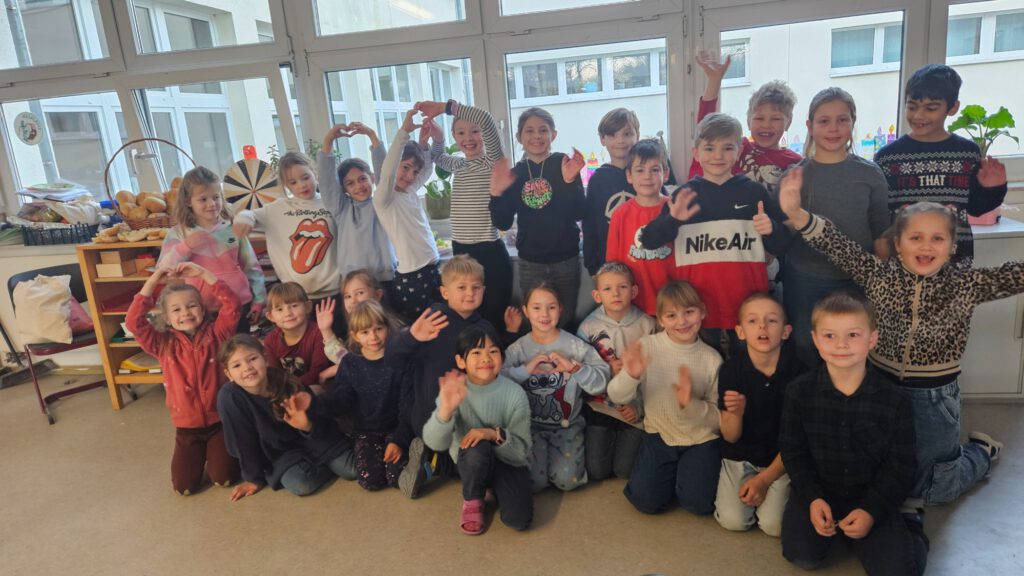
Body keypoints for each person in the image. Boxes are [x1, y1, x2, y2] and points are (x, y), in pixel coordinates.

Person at [779, 171, 1022, 512]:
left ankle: (979, 452)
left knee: (933, 489)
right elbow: (838, 245)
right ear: (898, 244)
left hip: (934, 397)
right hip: (881, 388)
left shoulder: (966, 284)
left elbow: (1014, 275)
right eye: (916, 237)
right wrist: (797, 213)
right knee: (886, 473)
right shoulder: (878, 275)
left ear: (952, 246)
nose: (926, 246)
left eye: (937, 238)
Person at [779, 293, 924, 576]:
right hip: (821, 491)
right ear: (815, 340)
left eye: (853, 335)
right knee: (801, 556)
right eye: (830, 336)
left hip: (872, 492)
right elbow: (793, 452)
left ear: (872, 339)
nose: (841, 344)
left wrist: (872, 510)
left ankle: (911, 525)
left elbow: (902, 464)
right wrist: (812, 498)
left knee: (898, 572)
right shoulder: (798, 392)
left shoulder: (895, 399)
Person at [640, 113, 790, 358]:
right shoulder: (684, 195)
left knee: (747, 369)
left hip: (748, 308)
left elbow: (784, 244)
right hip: (696, 309)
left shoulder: (754, 193)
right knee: (703, 371)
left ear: (739, 151)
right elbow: (648, 241)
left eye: (727, 148)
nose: (718, 155)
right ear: (696, 152)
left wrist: (771, 229)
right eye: (709, 148)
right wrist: (673, 220)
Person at [779, 88, 890, 366]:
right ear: (810, 126)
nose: (833, 128)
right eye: (824, 121)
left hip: (857, 278)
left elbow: (881, 232)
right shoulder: (795, 175)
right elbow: (783, 233)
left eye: (842, 120)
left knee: (853, 349)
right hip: (806, 278)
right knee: (806, 344)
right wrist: (789, 215)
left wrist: (882, 281)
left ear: (853, 122)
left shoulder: (870, 174)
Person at [874, 64, 1007, 265]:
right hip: (902, 263)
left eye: (931, 108)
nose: (918, 115)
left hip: (955, 261)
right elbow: (880, 212)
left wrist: (992, 188)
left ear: (953, 108)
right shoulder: (888, 156)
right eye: (912, 107)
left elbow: (976, 209)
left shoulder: (967, 152)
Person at [125, 262, 240, 495]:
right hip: (187, 427)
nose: (185, 313)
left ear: (203, 310)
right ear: (167, 318)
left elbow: (233, 306)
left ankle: (219, 451)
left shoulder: (218, 334)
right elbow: (133, 322)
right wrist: (153, 281)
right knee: (183, 488)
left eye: (192, 306)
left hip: (220, 422)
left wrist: (204, 273)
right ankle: (201, 454)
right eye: (176, 310)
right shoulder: (161, 343)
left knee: (224, 478)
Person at [607, 280, 722, 515]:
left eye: (689, 312)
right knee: (645, 501)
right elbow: (616, 394)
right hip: (659, 434)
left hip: (700, 439)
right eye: (671, 315)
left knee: (698, 504)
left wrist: (690, 403)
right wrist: (630, 375)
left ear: (702, 312)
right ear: (660, 320)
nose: (681, 321)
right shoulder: (647, 346)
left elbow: (717, 419)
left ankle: (687, 477)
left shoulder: (712, 359)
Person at [399, 255, 499, 499]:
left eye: (476, 287)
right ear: (445, 292)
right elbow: (393, 359)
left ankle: (430, 461)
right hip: (433, 416)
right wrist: (411, 337)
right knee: (476, 465)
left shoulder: (486, 327)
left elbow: (497, 369)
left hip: (466, 416)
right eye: (461, 287)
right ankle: (432, 456)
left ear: (484, 290)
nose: (470, 293)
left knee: (480, 458)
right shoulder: (432, 320)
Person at [326, 301, 448, 491]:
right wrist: (321, 404)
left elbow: (407, 405)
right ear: (355, 335)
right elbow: (342, 400)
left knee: (395, 477)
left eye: (378, 329)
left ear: (387, 328)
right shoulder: (349, 364)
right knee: (370, 480)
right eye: (365, 332)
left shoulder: (399, 360)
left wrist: (398, 440)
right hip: (366, 432)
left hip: (398, 428)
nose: (373, 337)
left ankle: (423, 461)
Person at [423, 325, 533, 535]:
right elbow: (435, 443)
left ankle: (491, 488)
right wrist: (445, 410)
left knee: (519, 520)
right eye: (476, 352)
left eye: (493, 351)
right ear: (460, 361)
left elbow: (521, 453)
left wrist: (492, 434)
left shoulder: (515, 393)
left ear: (502, 357)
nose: (486, 358)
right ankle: (473, 499)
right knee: (478, 447)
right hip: (472, 459)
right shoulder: (455, 389)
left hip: (507, 461)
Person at [217, 335, 356, 500]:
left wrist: (307, 426)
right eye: (237, 365)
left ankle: (331, 457)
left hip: (313, 438)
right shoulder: (230, 397)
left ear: (265, 359)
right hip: (281, 453)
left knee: (351, 470)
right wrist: (253, 478)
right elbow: (243, 440)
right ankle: (322, 464)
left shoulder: (288, 383)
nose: (247, 368)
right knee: (302, 484)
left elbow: (320, 420)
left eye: (252, 359)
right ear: (229, 374)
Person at [503, 283, 610, 492]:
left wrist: (574, 368)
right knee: (534, 483)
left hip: (567, 426)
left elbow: (601, 381)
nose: (544, 314)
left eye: (551, 307)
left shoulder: (576, 346)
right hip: (529, 427)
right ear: (526, 311)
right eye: (536, 307)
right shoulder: (517, 349)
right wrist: (525, 371)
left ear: (560, 309)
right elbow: (498, 382)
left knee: (567, 481)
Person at [418, 99, 514, 332]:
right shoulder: (459, 165)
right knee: (467, 319)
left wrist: (445, 108)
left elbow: (486, 120)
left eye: (474, 131)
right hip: (461, 250)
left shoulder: (491, 162)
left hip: (489, 251)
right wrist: (438, 138)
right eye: (460, 132)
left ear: (483, 135)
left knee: (493, 320)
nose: (468, 138)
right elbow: (438, 157)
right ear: (455, 136)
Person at [714, 293, 805, 537]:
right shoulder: (731, 370)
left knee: (774, 526)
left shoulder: (799, 374)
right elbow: (730, 437)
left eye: (771, 320)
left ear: (786, 332)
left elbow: (796, 441)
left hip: (780, 459)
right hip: (740, 456)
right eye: (753, 321)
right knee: (734, 521)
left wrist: (764, 480)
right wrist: (736, 414)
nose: (762, 327)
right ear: (740, 332)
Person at [490, 107, 587, 328]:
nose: (537, 136)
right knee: (536, 324)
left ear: (553, 134)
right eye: (530, 130)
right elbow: (503, 222)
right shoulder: (516, 173)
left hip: (566, 259)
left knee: (564, 319)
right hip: (530, 262)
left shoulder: (564, 163)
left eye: (543, 130)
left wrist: (569, 181)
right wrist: (496, 194)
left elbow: (579, 212)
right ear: (519, 137)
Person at [158, 165, 265, 334]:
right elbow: (164, 270)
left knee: (240, 347)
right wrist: (185, 246)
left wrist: (259, 300)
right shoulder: (178, 233)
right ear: (188, 201)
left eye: (216, 197)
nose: (211, 204)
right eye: (203, 199)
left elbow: (251, 266)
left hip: (239, 304)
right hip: (200, 309)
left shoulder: (233, 228)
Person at [576, 261, 654, 481]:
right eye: (607, 288)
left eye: (623, 287)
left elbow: (656, 372)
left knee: (624, 471)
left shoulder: (647, 325)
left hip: (634, 406)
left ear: (634, 291)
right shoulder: (587, 328)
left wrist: (638, 406)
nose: (616, 293)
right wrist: (607, 369)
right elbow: (581, 371)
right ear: (597, 295)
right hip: (600, 406)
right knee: (597, 471)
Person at [232, 151, 338, 303]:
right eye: (293, 182)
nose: (302, 185)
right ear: (286, 185)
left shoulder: (331, 202)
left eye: (306, 178)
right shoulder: (277, 209)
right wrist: (244, 219)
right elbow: (249, 214)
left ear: (314, 173)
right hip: (295, 296)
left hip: (335, 292)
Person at [688, 50, 801, 193]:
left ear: (788, 122)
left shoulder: (795, 162)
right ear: (748, 121)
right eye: (759, 118)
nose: (766, 125)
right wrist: (714, 80)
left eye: (776, 119)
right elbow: (707, 129)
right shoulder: (739, 148)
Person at [374, 110, 441, 321]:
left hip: (432, 269)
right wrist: (404, 132)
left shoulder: (410, 191)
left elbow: (427, 170)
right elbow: (388, 171)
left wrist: (423, 144)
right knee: (420, 327)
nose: (410, 176)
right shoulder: (384, 199)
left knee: (439, 323)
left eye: (414, 171)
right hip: (412, 276)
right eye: (405, 168)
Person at [318, 122, 395, 283]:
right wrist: (328, 141)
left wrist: (372, 136)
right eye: (350, 183)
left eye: (362, 179)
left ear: (372, 178)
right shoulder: (342, 208)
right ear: (343, 188)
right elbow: (327, 180)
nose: (359, 186)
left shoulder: (382, 203)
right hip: (354, 282)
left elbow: (385, 174)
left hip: (386, 278)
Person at [605, 138, 673, 316]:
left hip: (674, 304)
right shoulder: (620, 214)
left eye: (654, 169)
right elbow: (613, 265)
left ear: (665, 173)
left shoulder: (675, 209)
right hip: (634, 306)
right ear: (629, 175)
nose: (647, 176)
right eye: (640, 170)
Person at [582, 107, 640, 277]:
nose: (620, 140)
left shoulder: (645, 175)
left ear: (637, 135)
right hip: (607, 263)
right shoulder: (598, 180)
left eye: (627, 134)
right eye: (613, 135)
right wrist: (592, 266)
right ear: (602, 139)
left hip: (644, 258)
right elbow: (590, 224)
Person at [262, 282, 333, 393]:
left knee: (316, 389)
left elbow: (317, 372)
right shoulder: (270, 340)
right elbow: (274, 373)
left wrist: (290, 389)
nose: (288, 313)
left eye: (294, 306)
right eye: (280, 309)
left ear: (307, 307)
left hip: (315, 387)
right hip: (285, 389)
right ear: (271, 316)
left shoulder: (319, 333)